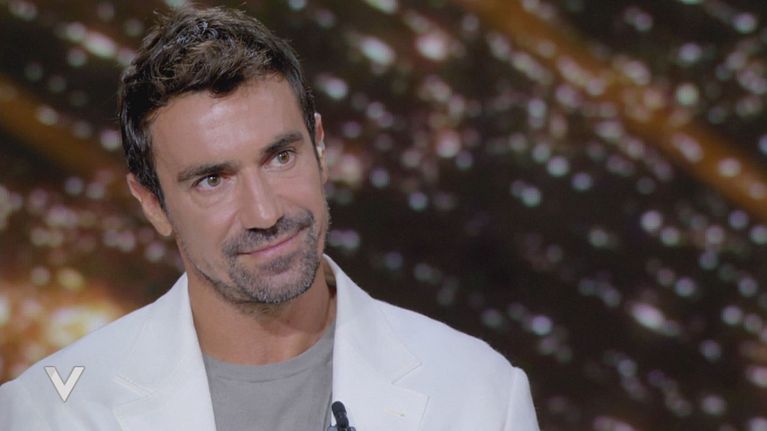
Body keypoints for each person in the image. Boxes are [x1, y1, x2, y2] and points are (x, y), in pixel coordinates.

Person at [0, 5, 539, 430]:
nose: (265, 212)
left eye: (281, 157)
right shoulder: (48, 414)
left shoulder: (478, 394)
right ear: (152, 204)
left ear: (319, 147)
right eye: (213, 180)